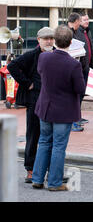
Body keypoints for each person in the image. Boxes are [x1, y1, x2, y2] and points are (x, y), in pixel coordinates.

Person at [31, 25, 85, 191]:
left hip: (45, 107)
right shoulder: (73, 64)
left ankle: (37, 179)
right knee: (59, 146)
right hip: (64, 110)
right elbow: (80, 89)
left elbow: (41, 73)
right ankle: (54, 183)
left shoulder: (44, 58)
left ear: (55, 40)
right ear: (70, 42)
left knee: (44, 142)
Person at [7, 27, 55, 184]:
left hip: (53, 100)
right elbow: (12, 66)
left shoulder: (56, 54)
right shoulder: (32, 55)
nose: (49, 41)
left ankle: (49, 169)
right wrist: (27, 83)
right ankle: (30, 168)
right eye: (46, 38)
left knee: (51, 136)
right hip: (35, 99)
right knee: (34, 134)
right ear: (38, 39)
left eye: (51, 38)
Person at [67, 12, 86, 132]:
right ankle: (72, 121)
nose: (81, 23)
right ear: (76, 21)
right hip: (71, 69)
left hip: (79, 67)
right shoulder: (66, 32)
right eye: (80, 21)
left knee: (78, 95)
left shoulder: (78, 32)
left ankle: (75, 118)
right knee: (73, 96)